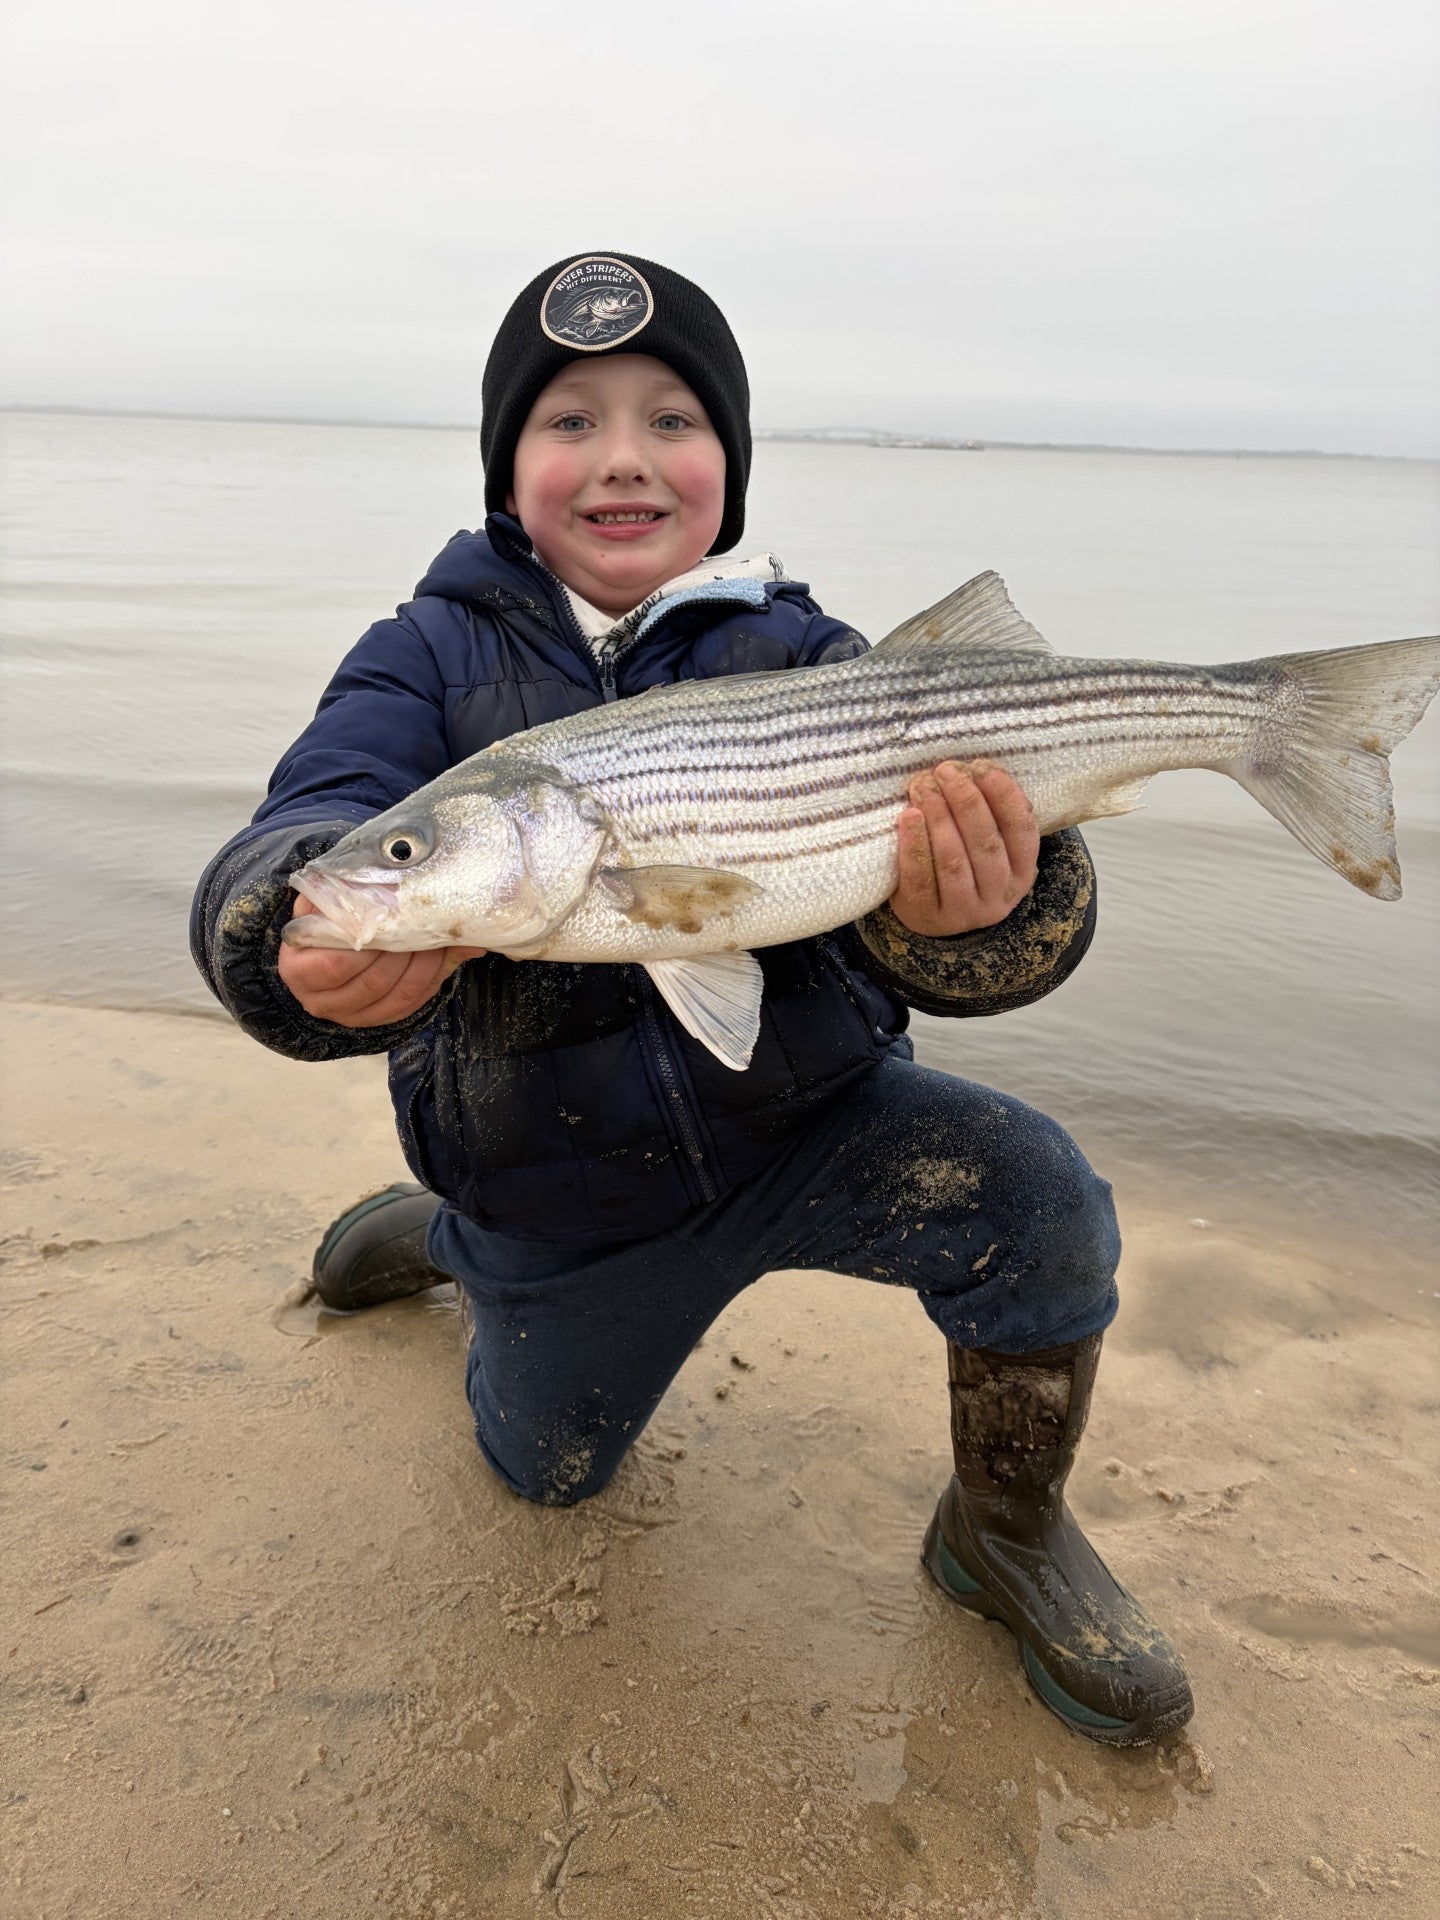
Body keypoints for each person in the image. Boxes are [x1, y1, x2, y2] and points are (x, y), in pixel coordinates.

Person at [191, 252, 1192, 1746]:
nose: (622, 459)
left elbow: (1039, 905)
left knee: (1041, 1195)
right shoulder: (423, 658)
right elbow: (311, 819)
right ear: (504, 463)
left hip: (818, 1124)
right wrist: (290, 923)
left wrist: (976, 919)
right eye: (568, 422)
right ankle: (463, 1242)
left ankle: (1003, 1527)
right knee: (549, 1473)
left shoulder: (811, 657)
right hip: (563, 1182)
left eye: (672, 418)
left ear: (727, 457)